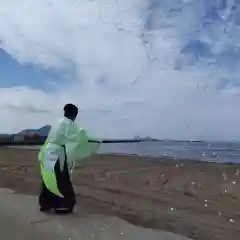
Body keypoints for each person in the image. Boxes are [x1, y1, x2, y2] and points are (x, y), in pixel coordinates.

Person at [38, 103, 100, 214]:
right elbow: (76, 137)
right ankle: (64, 205)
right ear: (74, 115)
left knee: (49, 177)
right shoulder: (68, 123)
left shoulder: (58, 123)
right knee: (63, 178)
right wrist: (92, 140)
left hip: (47, 151)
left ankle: (45, 203)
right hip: (57, 153)